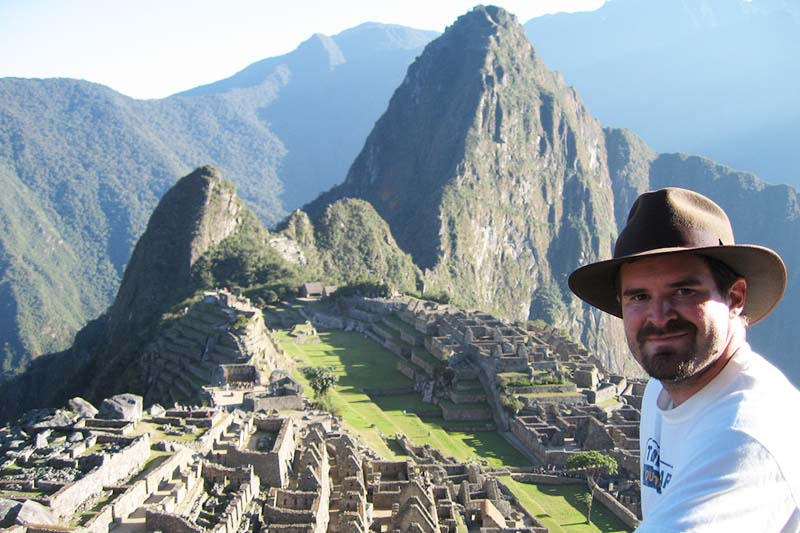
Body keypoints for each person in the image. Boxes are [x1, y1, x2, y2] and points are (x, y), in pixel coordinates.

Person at [568, 187, 799, 532]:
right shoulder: (659, 394)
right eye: (639, 296)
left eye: (683, 291)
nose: (659, 317)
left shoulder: (746, 435)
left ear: (734, 298)